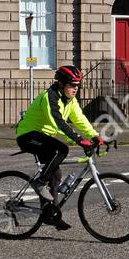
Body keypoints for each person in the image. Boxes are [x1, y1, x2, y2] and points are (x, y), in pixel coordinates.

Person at [14, 65, 105, 230]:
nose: (75, 88)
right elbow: (58, 122)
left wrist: (94, 135)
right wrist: (78, 140)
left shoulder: (70, 100)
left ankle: (50, 214)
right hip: (28, 136)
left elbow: (79, 119)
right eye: (72, 85)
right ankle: (40, 182)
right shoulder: (50, 97)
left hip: (44, 137)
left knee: (55, 174)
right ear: (61, 84)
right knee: (61, 150)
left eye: (78, 85)